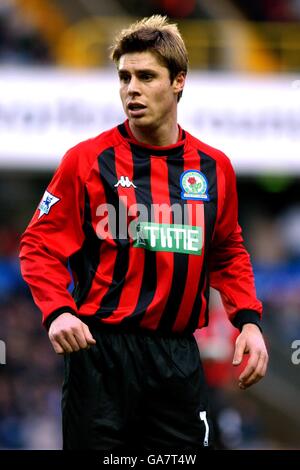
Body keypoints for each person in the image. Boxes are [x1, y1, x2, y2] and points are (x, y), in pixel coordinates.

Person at [19, 15, 268, 451]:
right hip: (100, 355)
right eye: (124, 77)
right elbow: (38, 245)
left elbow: (227, 250)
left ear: (178, 83)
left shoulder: (213, 168)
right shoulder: (87, 161)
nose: (131, 88)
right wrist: (57, 311)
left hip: (177, 359)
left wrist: (247, 321)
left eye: (146, 76)